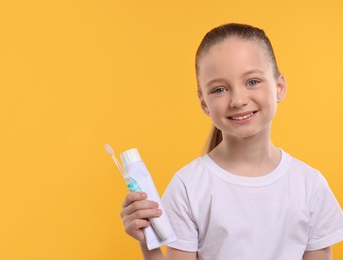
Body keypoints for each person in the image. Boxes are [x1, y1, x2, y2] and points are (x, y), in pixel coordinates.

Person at [120, 23, 343, 260]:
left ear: (279, 87)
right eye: (219, 89)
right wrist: (149, 243)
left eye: (252, 82)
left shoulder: (310, 187)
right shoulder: (187, 187)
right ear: (204, 103)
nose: (237, 100)